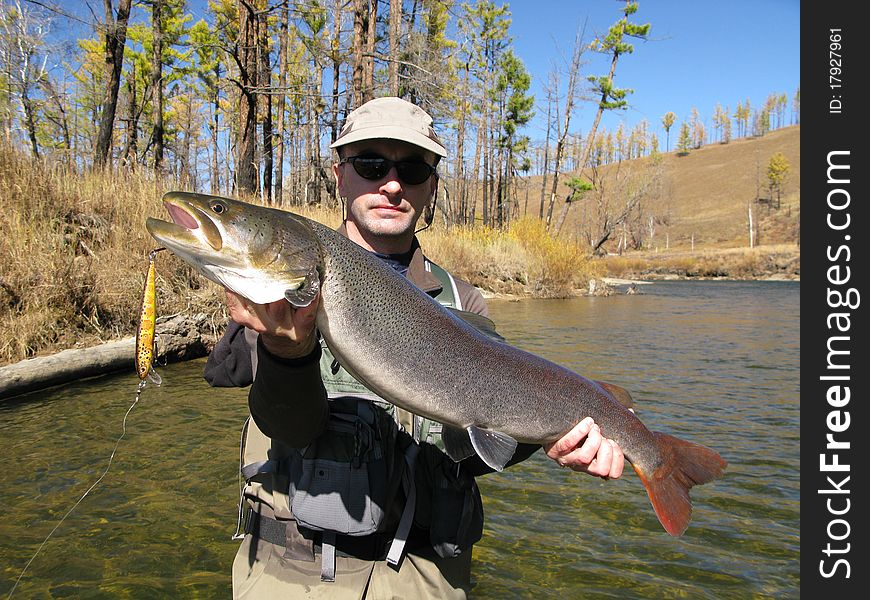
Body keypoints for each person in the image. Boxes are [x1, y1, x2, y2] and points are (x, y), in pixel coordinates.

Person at [204, 96, 625, 599]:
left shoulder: (464, 304)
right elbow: (288, 427)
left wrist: (549, 438)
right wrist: (286, 355)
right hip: (293, 577)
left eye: (412, 168)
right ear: (340, 177)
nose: (391, 183)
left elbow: (470, 457)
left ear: (431, 187)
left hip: (424, 583)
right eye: (371, 164)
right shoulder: (279, 290)